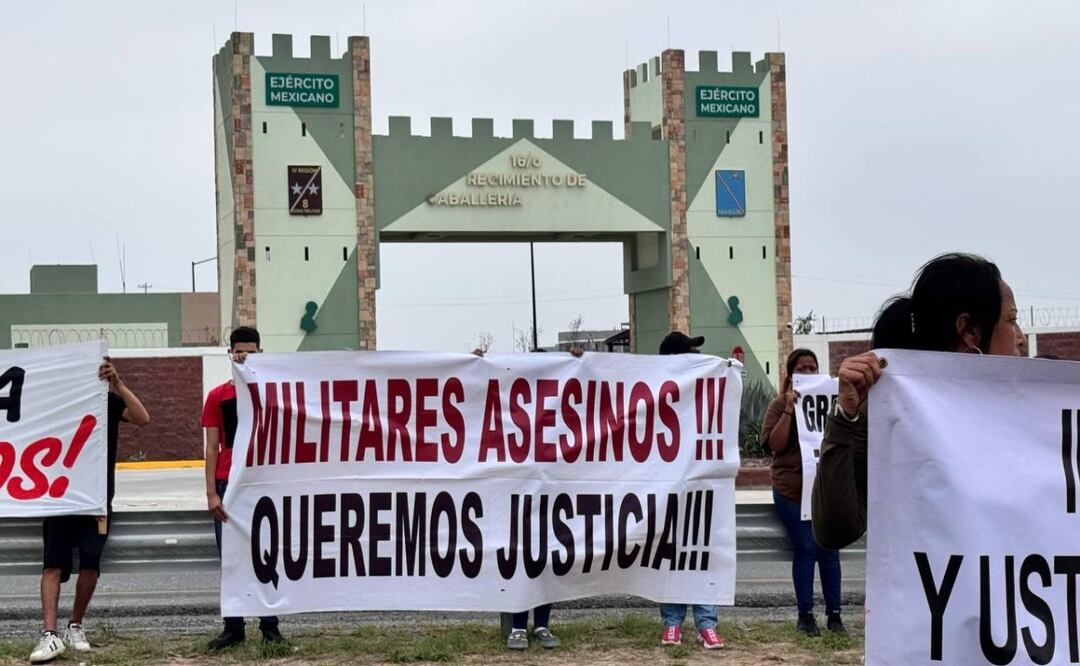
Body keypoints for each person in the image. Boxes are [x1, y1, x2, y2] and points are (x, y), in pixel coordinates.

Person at [812, 253, 1026, 550]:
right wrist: (844, 416)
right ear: (968, 330)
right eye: (1012, 321)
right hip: (931, 593)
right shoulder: (892, 413)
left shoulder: (1038, 412)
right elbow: (835, 529)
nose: (1021, 337)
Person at [31, 358, 150, 663]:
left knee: (90, 563)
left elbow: (142, 418)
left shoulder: (107, 402)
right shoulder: (55, 405)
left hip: (96, 499)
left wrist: (118, 383)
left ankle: (75, 626)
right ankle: (49, 634)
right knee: (52, 565)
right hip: (60, 496)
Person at [202, 326, 285, 650]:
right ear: (230, 353)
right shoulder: (218, 396)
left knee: (267, 556)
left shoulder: (271, 392)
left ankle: (270, 627)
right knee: (231, 561)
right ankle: (233, 627)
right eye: (239, 352)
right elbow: (210, 447)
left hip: (263, 482)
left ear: (260, 353)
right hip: (228, 483)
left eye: (251, 352)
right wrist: (211, 492)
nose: (245, 357)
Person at [761, 349, 843, 636]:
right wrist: (788, 408)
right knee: (807, 548)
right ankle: (805, 615)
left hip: (824, 491)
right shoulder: (777, 406)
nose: (808, 373)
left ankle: (835, 616)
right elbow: (775, 445)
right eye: (802, 369)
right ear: (791, 376)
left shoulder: (830, 404)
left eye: (813, 368)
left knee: (829, 550)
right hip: (792, 491)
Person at [656, 331, 726, 650]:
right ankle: (672, 623)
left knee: (701, 553)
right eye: (690, 351)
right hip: (664, 487)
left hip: (699, 484)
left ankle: (705, 624)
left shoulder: (704, 389)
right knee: (669, 556)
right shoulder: (652, 391)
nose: (697, 356)